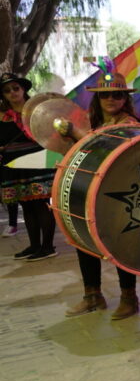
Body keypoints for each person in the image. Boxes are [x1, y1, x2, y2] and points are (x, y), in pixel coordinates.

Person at [66, 69, 140, 319]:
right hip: (97, 192)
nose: (111, 99)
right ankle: (92, 296)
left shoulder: (130, 124)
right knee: (83, 239)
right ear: (97, 100)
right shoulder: (99, 125)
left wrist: (77, 136)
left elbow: (108, 150)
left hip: (123, 195)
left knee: (121, 245)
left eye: (117, 95)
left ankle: (129, 299)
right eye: (105, 95)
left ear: (125, 98)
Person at [0, 73, 56, 261]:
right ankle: (34, 245)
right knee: (27, 205)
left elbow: (50, 133)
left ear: (23, 89)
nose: (12, 93)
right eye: (7, 91)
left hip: (37, 162)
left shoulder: (37, 111)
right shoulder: (3, 116)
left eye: (16, 88)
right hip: (13, 165)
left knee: (40, 204)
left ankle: (48, 246)